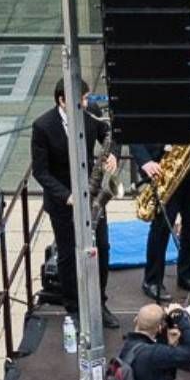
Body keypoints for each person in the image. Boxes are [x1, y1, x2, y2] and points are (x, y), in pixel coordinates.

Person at [31, 75, 117, 322]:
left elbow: (110, 136)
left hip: (92, 194)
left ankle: (99, 303)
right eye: (82, 99)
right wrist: (66, 196)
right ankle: (74, 306)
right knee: (68, 253)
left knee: (101, 247)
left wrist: (112, 156)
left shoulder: (91, 113)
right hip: (63, 201)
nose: (87, 103)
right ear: (62, 100)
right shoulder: (43, 126)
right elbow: (40, 171)